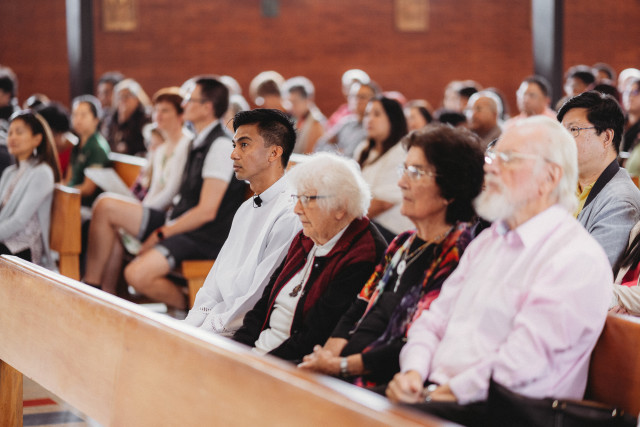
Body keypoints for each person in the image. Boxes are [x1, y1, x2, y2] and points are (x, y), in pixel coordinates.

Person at [385, 116, 612, 426]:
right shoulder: (488, 241)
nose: (489, 167)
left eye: (508, 158)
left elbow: (521, 365)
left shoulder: (575, 258)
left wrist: (436, 394)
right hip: (437, 396)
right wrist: (413, 372)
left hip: (504, 412)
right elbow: (434, 319)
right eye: (492, 156)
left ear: (548, 177)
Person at [298, 124, 484, 387]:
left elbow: (410, 343)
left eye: (416, 172)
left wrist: (339, 367)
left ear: (451, 188)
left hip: (388, 382)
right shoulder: (402, 243)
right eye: (403, 170)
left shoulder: (458, 252)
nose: (401, 182)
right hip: (344, 370)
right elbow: (358, 307)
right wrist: (325, 360)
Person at [84, 77, 245, 307]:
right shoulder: (198, 141)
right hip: (182, 223)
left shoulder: (219, 145)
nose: (184, 104)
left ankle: (195, 309)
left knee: (136, 274)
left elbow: (207, 212)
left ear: (207, 107)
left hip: (203, 236)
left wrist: (161, 233)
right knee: (106, 205)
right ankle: (93, 289)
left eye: (189, 99)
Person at [232, 153, 387, 361]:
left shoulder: (363, 253)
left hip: (291, 365)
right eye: (297, 198)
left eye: (307, 199)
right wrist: (236, 350)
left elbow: (314, 338)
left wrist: (257, 363)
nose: (297, 209)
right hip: (258, 355)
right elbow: (263, 306)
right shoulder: (306, 236)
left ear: (340, 208)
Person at [184, 109, 302, 335]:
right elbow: (213, 284)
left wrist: (204, 331)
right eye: (234, 145)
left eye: (244, 145)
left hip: (244, 333)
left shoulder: (290, 213)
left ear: (274, 153)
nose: (233, 154)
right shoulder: (246, 208)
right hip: (214, 325)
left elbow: (257, 297)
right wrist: (190, 324)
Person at [557, 90, 640, 267]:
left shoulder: (620, 202)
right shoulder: (565, 186)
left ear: (606, 137)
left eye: (573, 130)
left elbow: (590, 273)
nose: (562, 141)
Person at [0, 110, 61, 268]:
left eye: (19, 132)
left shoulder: (42, 172)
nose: (12, 137)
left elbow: (19, 220)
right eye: (10, 133)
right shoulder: (9, 172)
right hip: (4, 239)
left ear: (37, 139)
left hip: (23, 247)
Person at [354, 96, 413, 240]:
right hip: (365, 220)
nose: (369, 119)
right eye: (367, 114)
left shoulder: (402, 152)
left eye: (377, 114)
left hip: (391, 229)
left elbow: (382, 203)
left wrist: (343, 220)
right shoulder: (364, 149)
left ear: (393, 119)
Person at [66, 95, 111, 207]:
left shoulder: (97, 147)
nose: (78, 119)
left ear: (96, 119)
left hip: (86, 204)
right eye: (75, 115)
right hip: (71, 195)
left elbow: (88, 189)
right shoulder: (77, 144)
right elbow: (69, 178)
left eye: (83, 115)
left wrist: (65, 192)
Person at [314, 82, 378, 158]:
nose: (356, 100)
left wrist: (334, 150)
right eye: (353, 96)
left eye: (362, 97)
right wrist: (338, 151)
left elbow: (349, 157)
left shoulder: (371, 128)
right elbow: (320, 145)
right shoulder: (346, 122)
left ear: (374, 100)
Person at [105, 78, 151, 156]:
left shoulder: (145, 118)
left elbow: (145, 144)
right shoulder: (113, 117)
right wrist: (121, 122)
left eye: (127, 96)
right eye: (120, 97)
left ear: (137, 99)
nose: (123, 100)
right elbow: (108, 140)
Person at [283, 76, 326, 154]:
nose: (291, 107)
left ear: (307, 100)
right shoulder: (296, 118)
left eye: (295, 102)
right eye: (289, 102)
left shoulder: (316, 123)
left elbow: (309, 155)